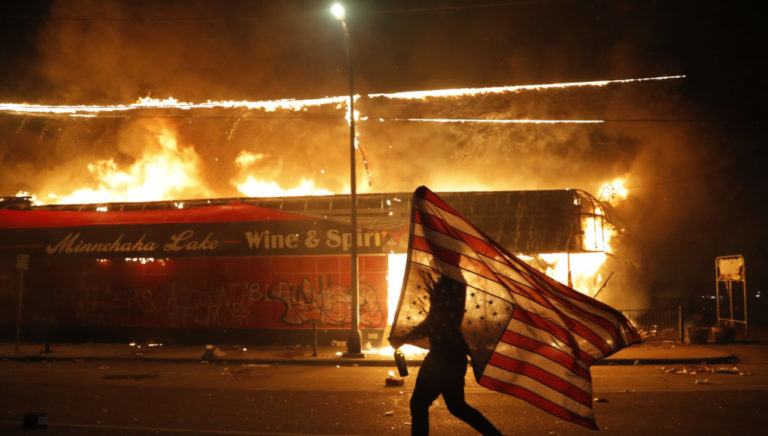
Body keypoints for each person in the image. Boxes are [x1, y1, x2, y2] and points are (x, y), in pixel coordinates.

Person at [390, 274, 503, 436]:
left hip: (442, 357)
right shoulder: (454, 281)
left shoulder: (449, 283)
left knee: (420, 403)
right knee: (457, 406)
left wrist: (403, 339)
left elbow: (434, 322)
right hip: (452, 356)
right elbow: (436, 321)